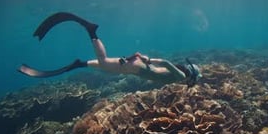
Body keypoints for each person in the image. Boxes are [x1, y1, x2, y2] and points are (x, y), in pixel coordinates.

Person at [18, 12, 202, 87]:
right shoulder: (180, 77)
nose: (193, 85)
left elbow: (163, 66)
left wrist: (146, 60)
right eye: (195, 81)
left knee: (106, 68)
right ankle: (91, 31)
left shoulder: (180, 77)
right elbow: (166, 63)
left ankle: (79, 64)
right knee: (105, 63)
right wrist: (148, 61)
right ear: (191, 75)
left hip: (138, 67)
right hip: (137, 68)